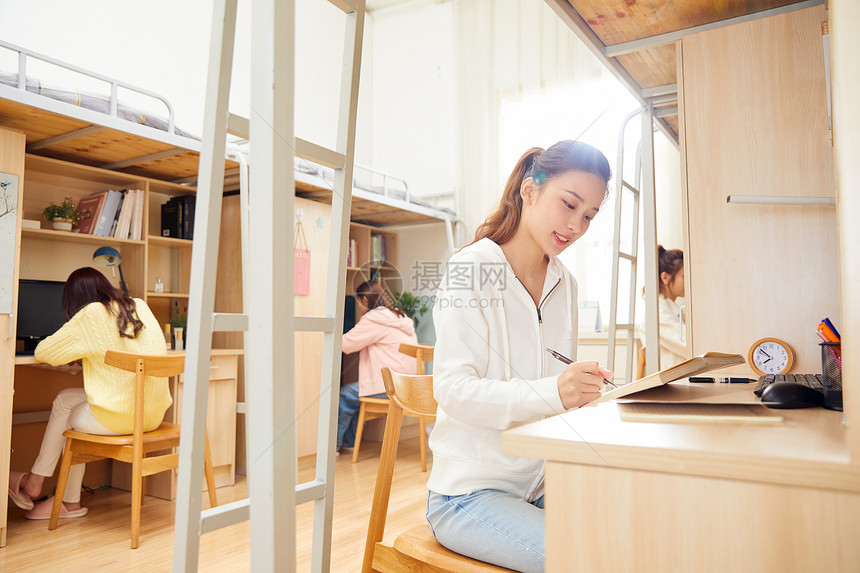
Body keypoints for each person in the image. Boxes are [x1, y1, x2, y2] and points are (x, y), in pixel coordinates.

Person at [425, 140, 613, 572]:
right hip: (469, 492)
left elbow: (557, 388)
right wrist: (555, 392)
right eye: (569, 204)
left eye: (589, 216)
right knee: (585, 560)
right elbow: (452, 390)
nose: (576, 225)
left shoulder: (566, 282)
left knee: (638, 527)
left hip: (542, 481)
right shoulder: (471, 269)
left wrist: (585, 395)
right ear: (530, 191)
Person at [7, 267, 169, 519]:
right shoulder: (139, 306)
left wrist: (79, 353)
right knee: (65, 400)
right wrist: (87, 359)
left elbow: (44, 351)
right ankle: (67, 501)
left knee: (70, 417)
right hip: (152, 414)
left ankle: (38, 485)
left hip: (122, 417)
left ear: (76, 301)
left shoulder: (91, 313)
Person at [337, 280, 418, 456]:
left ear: (365, 300)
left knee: (346, 395)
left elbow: (346, 345)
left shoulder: (375, 319)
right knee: (357, 394)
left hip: (391, 386)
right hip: (409, 385)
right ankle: (350, 442)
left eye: (358, 302)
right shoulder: (399, 317)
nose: (358, 307)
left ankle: (333, 447)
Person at [640, 245, 686, 369]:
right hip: (673, 383)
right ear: (665, 278)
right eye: (684, 276)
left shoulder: (672, 309)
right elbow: (689, 346)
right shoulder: (658, 314)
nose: (689, 280)